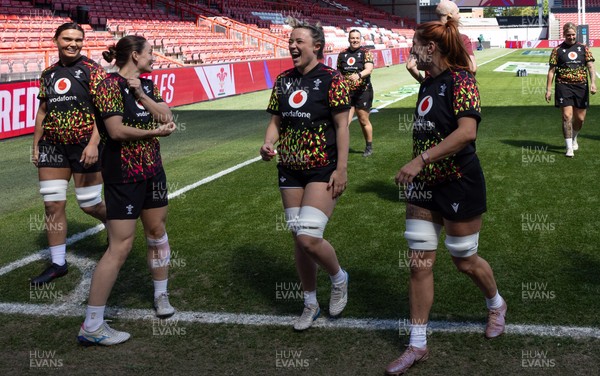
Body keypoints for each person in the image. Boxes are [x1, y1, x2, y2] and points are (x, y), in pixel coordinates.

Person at [385, 18, 506, 375]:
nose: (410, 51)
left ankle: (497, 304)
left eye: (414, 46)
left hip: (459, 182)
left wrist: (420, 160)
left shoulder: (462, 81)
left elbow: (467, 133)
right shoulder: (429, 83)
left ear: (430, 48)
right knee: (419, 263)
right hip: (424, 189)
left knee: (464, 259)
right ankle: (417, 344)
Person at [77, 35, 177, 346]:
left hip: (153, 171)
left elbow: (167, 115)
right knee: (119, 247)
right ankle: (92, 325)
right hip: (123, 175)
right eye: (150, 53)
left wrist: (141, 95)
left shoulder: (145, 84)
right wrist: (154, 132)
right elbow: (116, 131)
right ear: (134, 55)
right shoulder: (107, 85)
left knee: (157, 231)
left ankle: (161, 297)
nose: (154, 57)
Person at [260, 18, 350, 331]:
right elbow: (276, 121)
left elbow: (341, 125)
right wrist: (269, 142)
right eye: (290, 41)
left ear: (317, 46)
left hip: (322, 168)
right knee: (298, 241)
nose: (292, 45)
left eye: (299, 41)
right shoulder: (283, 80)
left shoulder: (332, 79)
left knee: (309, 238)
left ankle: (339, 278)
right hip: (289, 168)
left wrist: (341, 168)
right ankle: (310, 304)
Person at [31, 23, 107, 285]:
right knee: (52, 204)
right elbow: (43, 111)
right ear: (56, 40)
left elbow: (103, 112)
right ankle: (58, 263)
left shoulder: (93, 70)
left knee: (89, 204)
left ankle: (116, 227)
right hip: (52, 146)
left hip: (85, 145)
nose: (73, 43)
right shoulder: (48, 73)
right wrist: (36, 145)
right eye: (67, 39)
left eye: (78, 39)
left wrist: (94, 143)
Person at [545, 22, 596, 157]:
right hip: (563, 85)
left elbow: (590, 66)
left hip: (581, 86)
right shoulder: (557, 50)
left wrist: (593, 83)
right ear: (564, 35)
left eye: (573, 35)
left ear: (576, 34)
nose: (571, 37)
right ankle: (569, 148)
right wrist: (548, 89)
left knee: (580, 119)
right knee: (567, 116)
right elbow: (551, 71)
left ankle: (574, 137)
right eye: (568, 35)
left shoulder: (584, 48)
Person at [406, 0, 477, 83]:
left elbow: (410, 66)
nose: (459, 16)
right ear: (449, 16)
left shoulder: (426, 35)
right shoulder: (461, 39)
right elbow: (472, 68)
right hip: (453, 88)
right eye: (457, 13)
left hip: (432, 90)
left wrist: (424, 83)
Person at [337, 29, 375, 157]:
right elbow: (339, 73)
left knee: (363, 120)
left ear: (360, 39)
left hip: (363, 91)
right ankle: (342, 148)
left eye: (357, 38)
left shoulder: (365, 53)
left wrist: (359, 75)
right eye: (352, 38)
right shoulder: (342, 54)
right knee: (344, 123)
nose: (355, 40)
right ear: (349, 39)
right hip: (347, 92)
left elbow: (369, 69)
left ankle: (369, 146)